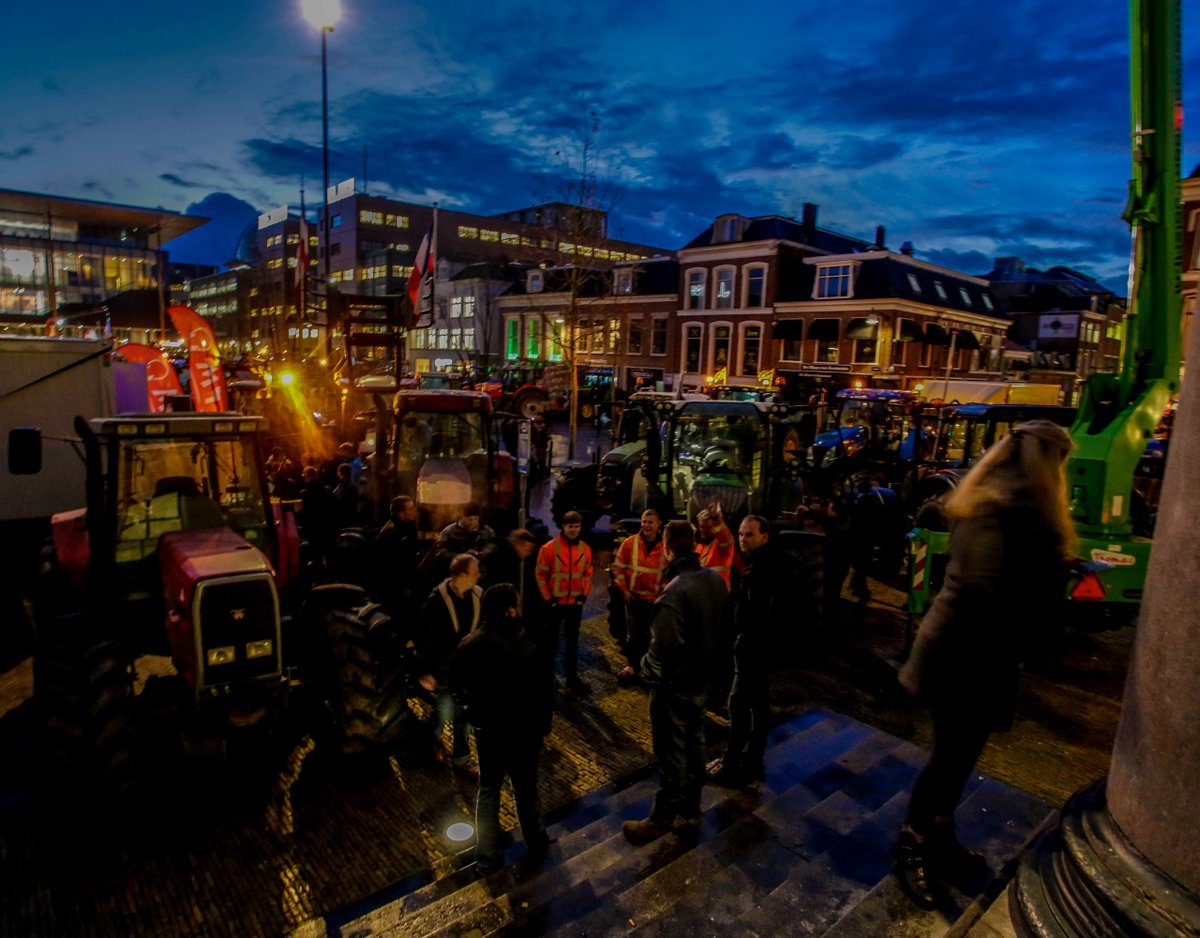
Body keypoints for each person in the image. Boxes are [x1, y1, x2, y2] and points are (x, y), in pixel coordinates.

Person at [893, 421, 1076, 909]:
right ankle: (912, 843)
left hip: (967, 654)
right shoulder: (1009, 511)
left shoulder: (991, 502)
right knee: (950, 758)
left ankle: (938, 836)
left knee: (959, 755)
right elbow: (987, 590)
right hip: (964, 658)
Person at [622, 520, 726, 845]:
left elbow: (663, 648)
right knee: (695, 742)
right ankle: (691, 801)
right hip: (702, 680)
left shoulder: (676, 591)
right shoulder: (714, 579)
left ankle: (661, 818)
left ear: (667, 547)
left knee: (671, 751)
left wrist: (645, 670)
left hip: (674, 686)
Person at [450, 584, 553, 876]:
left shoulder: (470, 645)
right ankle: (536, 840)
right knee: (525, 790)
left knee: (489, 790)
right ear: (510, 610)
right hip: (524, 734)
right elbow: (545, 694)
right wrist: (542, 727)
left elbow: (455, 686)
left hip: (490, 732)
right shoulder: (529, 650)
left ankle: (487, 857)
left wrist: (472, 711)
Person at [707, 514, 797, 788]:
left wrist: (743, 629)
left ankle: (731, 761)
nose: (743, 539)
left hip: (755, 645)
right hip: (764, 645)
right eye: (741, 534)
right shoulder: (771, 563)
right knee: (758, 705)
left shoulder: (761, 570)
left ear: (764, 536)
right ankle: (754, 760)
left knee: (738, 702)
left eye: (749, 534)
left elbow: (756, 613)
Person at [417, 553, 483, 778]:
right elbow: (425, 637)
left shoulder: (477, 596)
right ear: (462, 575)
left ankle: (461, 760)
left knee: (464, 719)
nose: (479, 575)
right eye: (475, 571)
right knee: (443, 713)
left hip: (468, 671)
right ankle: (431, 743)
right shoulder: (436, 600)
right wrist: (424, 670)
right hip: (443, 671)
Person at [534, 511, 594, 695]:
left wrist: (582, 597)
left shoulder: (585, 549)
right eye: (570, 526)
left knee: (572, 643)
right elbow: (540, 575)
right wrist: (549, 600)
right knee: (549, 644)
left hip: (574, 604)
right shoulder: (549, 549)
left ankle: (571, 679)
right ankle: (547, 678)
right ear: (563, 526)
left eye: (576, 526)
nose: (574, 530)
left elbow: (587, 574)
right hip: (555, 605)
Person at [611, 509, 667, 685]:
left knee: (653, 637)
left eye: (650, 522)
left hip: (655, 600)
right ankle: (633, 667)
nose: (646, 525)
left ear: (659, 524)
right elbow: (618, 568)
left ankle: (649, 670)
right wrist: (624, 591)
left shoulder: (666, 546)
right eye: (644, 522)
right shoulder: (630, 543)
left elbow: (668, 574)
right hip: (634, 599)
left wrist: (662, 596)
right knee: (634, 636)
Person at [479, 528, 542, 622]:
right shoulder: (503, 558)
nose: (527, 554)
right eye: (526, 549)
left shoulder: (505, 555)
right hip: (494, 605)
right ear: (518, 544)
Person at [376, 495, 420, 612]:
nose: (415, 511)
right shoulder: (391, 533)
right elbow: (391, 565)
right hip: (396, 590)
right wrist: (404, 587)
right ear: (401, 514)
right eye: (410, 509)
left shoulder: (405, 528)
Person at [695, 500, 742, 588]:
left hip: (718, 596)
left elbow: (723, 534)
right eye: (702, 527)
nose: (703, 530)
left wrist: (715, 518)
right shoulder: (700, 547)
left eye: (708, 527)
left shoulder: (722, 545)